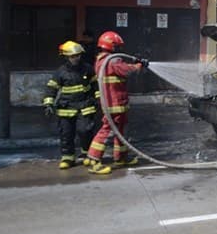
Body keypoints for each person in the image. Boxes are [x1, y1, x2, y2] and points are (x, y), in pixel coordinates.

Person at [86, 31, 148, 175]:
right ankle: (94, 159)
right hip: (114, 103)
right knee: (107, 131)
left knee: (120, 130)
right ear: (111, 45)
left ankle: (120, 158)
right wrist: (139, 65)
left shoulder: (102, 59)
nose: (119, 49)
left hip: (116, 102)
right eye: (117, 46)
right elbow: (126, 71)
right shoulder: (112, 60)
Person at [42, 41, 99, 169]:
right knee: (66, 134)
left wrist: (99, 100)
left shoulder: (88, 69)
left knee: (85, 131)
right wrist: (48, 104)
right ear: (66, 57)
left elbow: (96, 86)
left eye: (78, 55)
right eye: (73, 56)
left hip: (85, 106)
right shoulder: (60, 72)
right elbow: (51, 88)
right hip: (66, 108)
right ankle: (68, 158)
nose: (76, 58)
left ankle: (86, 154)